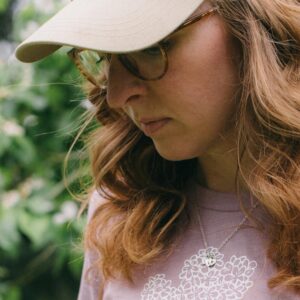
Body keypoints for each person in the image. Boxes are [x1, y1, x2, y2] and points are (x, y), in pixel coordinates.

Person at [15, 0, 300, 299]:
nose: (116, 94)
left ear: (251, 23)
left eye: (154, 47)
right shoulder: (121, 210)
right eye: (103, 59)